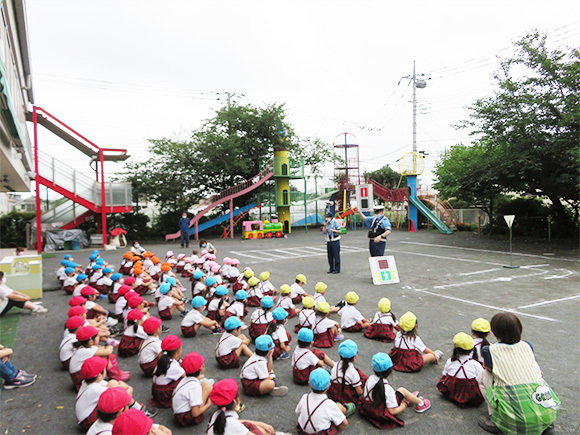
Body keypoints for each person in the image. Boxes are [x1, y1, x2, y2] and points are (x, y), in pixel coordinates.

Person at [476, 312, 560, 434]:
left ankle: (496, 419)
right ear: (519, 329)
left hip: (514, 419)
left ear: (494, 333)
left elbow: (489, 369)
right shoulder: (527, 345)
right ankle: (541, 420)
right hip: (548, 413)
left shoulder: (489, 350)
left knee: (483, 375)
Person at [358, 352, 431, 429]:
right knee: (402, 390)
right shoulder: (388, 389)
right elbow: (392, 411)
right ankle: (420, 403)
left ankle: (410, 398)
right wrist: (402, 407)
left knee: (397, 394)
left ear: (373, 369)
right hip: (381, 413)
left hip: (368, 409)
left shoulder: (370, 379)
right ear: (390, 370)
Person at [207, 378, 284, 435]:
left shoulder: (216, 415)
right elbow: (235, 425)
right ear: (237, 400)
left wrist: (260, 423)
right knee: (264, 432)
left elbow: (236, 422)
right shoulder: (233, 425)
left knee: (260, 428)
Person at [295, 368, 352, 434]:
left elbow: (297, 412)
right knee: (337, 407)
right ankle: (346, 408)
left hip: (303, 432)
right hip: (320, 433)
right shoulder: (329, 404)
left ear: (309, 384)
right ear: (329, 386)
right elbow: (344, 423)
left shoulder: (305, 397)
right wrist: (336, 431)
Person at [437, 332, 484, 407]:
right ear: (472, 349)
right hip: (471, 396)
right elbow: (482, 379)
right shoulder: (476, 364)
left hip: (452, 391)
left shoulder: (450, 361)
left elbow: (444, 375)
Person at [171, 352, 212, 426]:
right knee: (208, 387)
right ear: (201, 368)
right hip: (185, 417)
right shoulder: (194, 386)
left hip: (178, 411)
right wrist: (208, 405)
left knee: (205, 384)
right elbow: (195, 413)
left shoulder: (185, 379)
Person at [328, 339, 367, 405]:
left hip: (333, 395)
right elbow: (359, 392)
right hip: (347, 398)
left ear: (339, 355)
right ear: (355, 356)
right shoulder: (353, 372)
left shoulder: (335, 366)